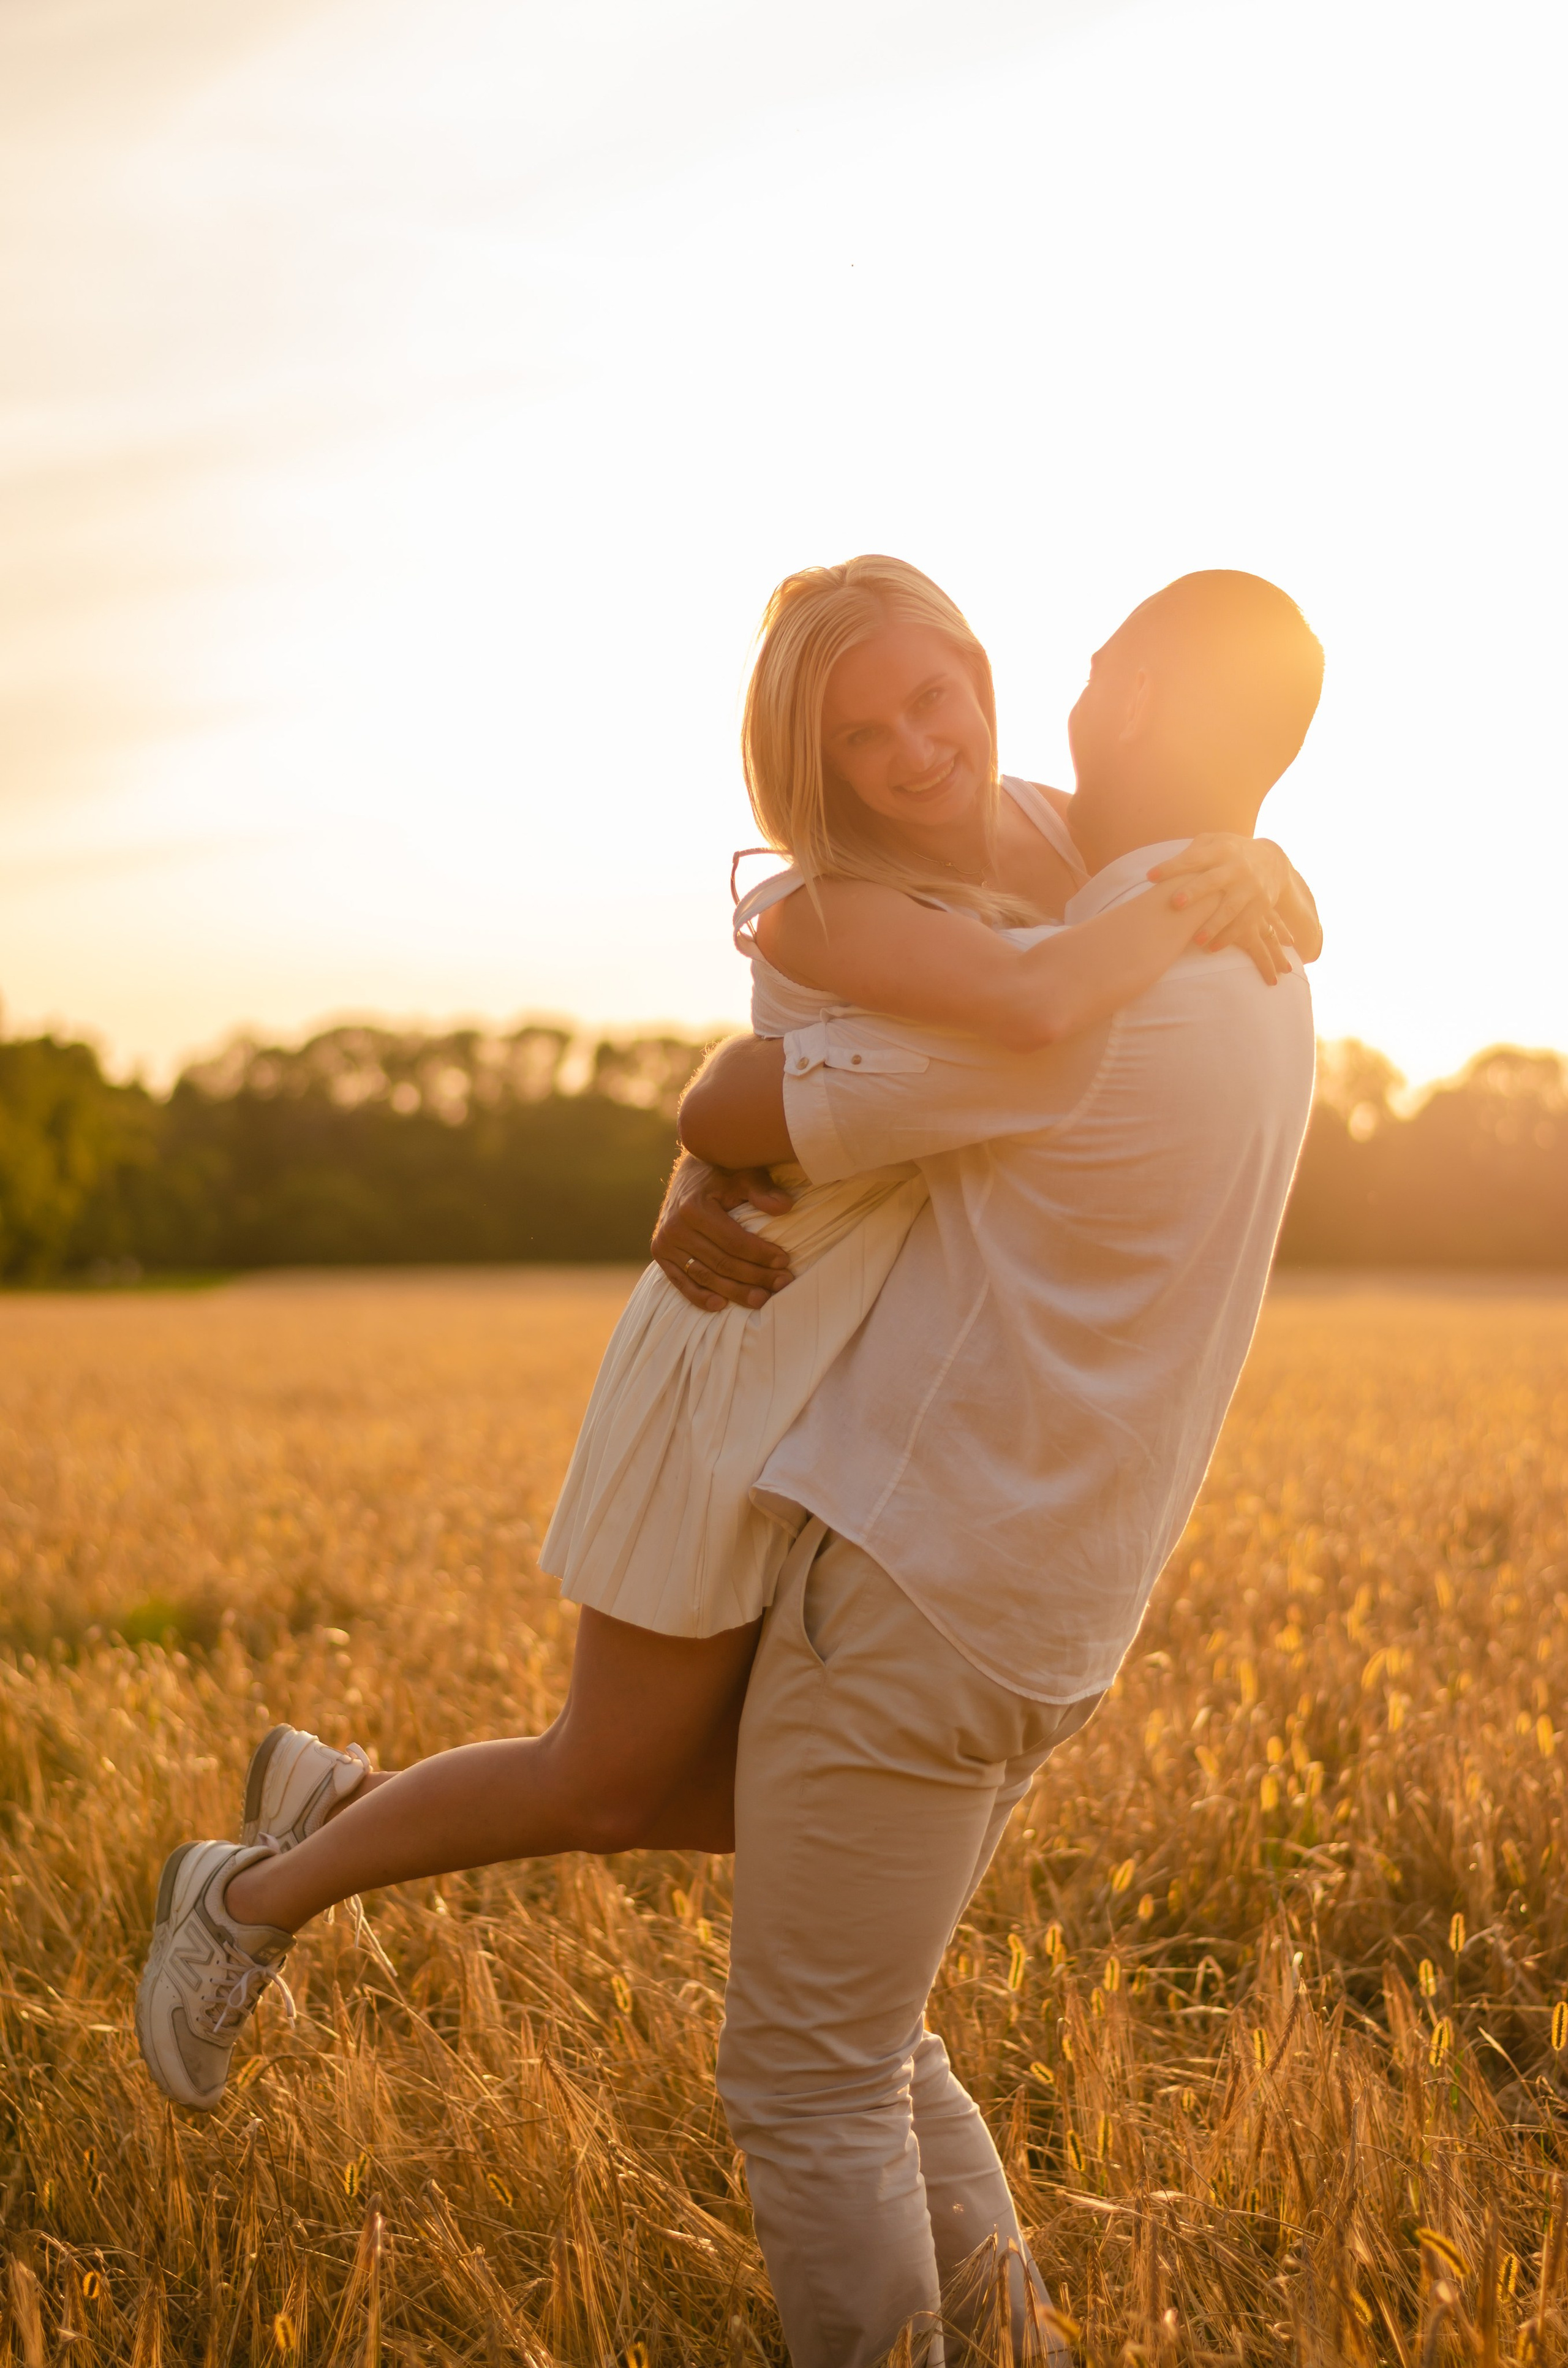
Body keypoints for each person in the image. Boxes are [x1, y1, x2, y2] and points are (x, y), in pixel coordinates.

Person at [132, 562, 1316, 2149]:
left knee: (787, 1786)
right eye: (860, 735)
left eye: (933, 696)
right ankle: (257, 1887)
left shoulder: (1056, 826)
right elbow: (996, 1022)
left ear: (983, 670)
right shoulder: (823, 901)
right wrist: (1229, 877)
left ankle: (338, 1810)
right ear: (811, 767)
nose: (914, 749)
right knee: (611, 1780)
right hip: (754, 1335)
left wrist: (1247, 862)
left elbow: (1144, 885)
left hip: (876, 1362)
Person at [653, 566, 1323, 2367]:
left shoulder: (1072, 989)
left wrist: (690, 1158)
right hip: (1053, 1605)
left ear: (1139, 712)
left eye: (1102, 672)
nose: (1070, 695)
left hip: (913, 1575)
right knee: (878, 2033)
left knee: (806, 2079)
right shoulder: (1261, 972)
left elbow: (767, 1105)